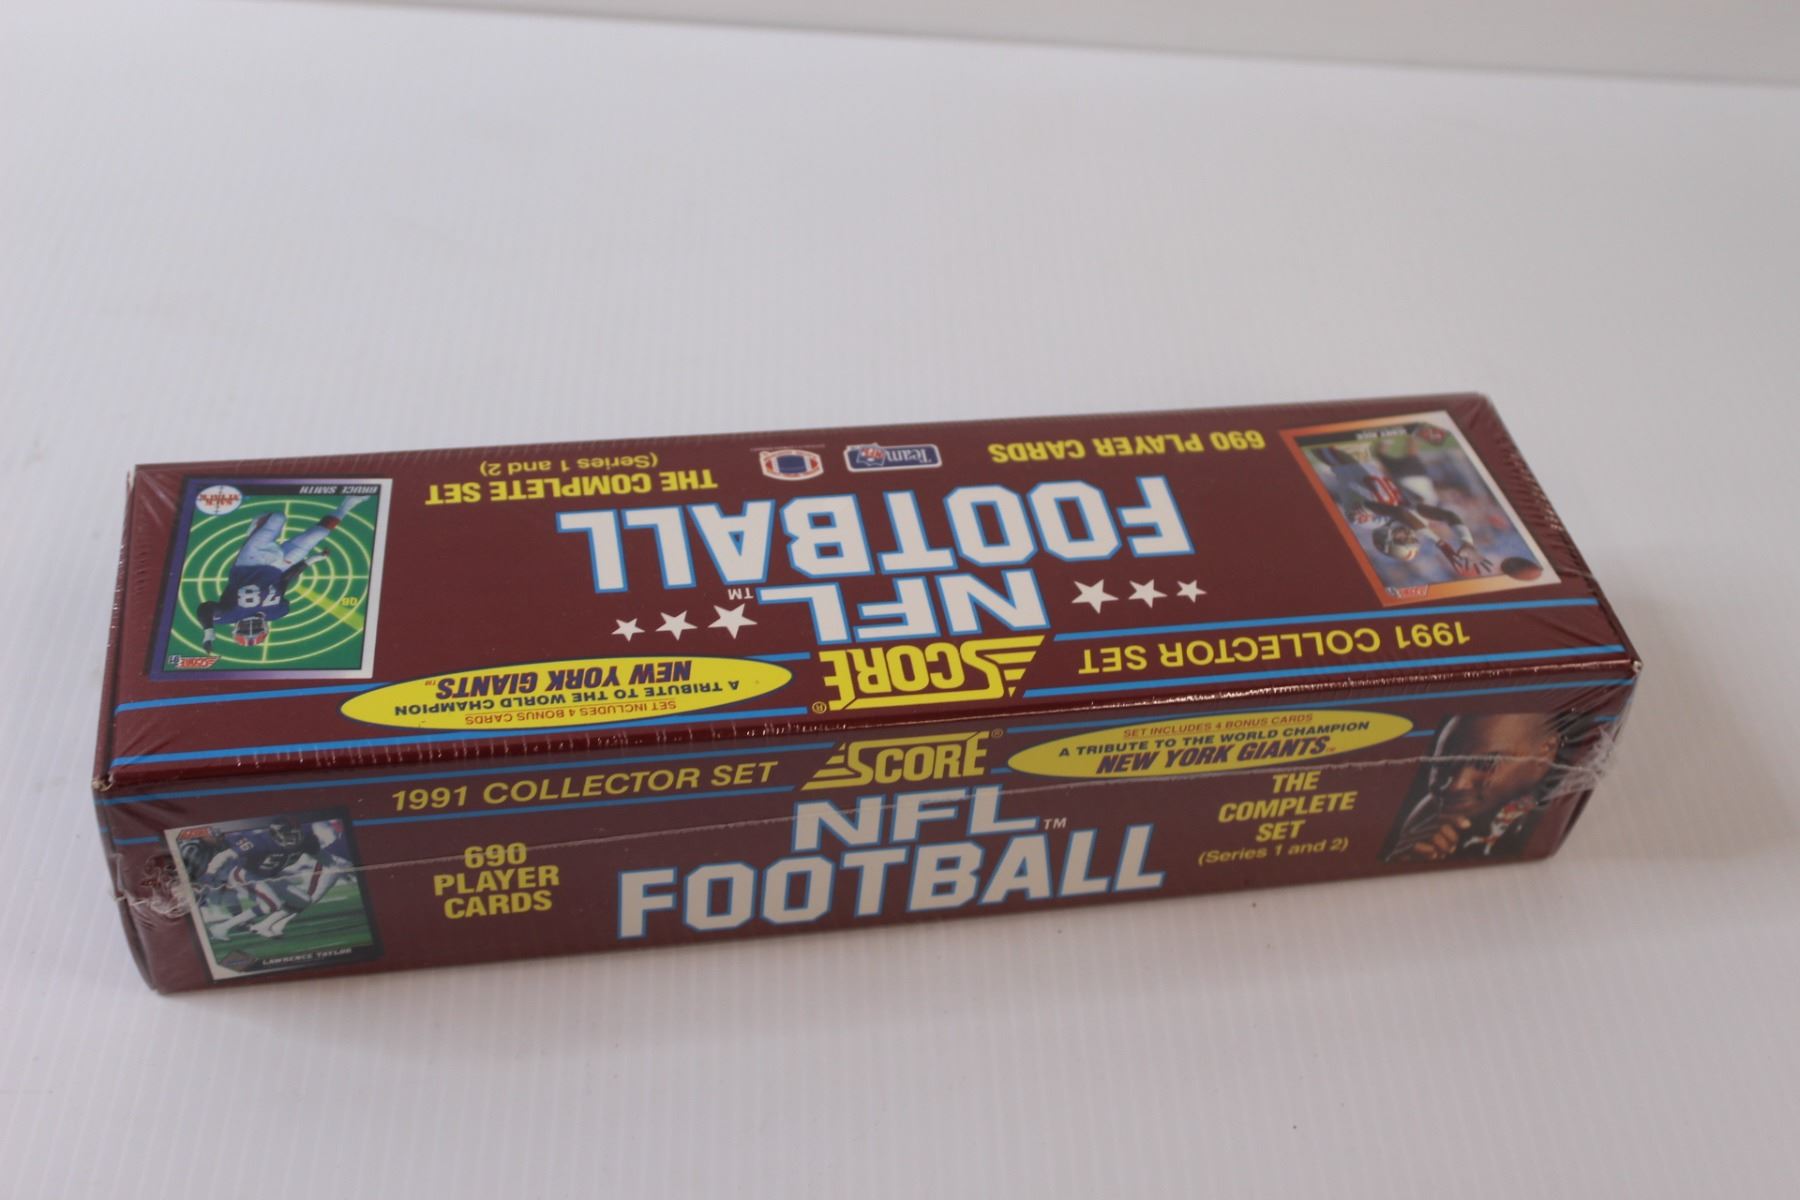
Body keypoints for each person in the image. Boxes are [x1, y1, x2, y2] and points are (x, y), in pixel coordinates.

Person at [1385, 711, 1592, 863]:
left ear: (1546, 750)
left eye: (1486, 764)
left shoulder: (1562, 796)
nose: (1456, 785)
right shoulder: (1429, 814)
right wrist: (1407, 857)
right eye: (1442, 764)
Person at [197, 495, 367, 648]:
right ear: (265, 628)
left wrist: (208, 630)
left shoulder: (227, 615)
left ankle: (255, 529)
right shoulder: (277, 612)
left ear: (235, 628)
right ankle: (348, 504)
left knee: (278, 517)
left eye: (245, 629)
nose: (250, 625)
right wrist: (310, 561)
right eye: (255, 629)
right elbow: (283, 582)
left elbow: (205, 608)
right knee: (319, 533)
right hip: (279, 567)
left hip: (249, 562)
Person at [1313, 439, 1492, 577]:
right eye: (1411, 539)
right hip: (1362, 458)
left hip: (1341, 458)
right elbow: (1447, 515)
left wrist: (1441, 543)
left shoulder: (1364, 521)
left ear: (1386, 541)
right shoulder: (1407, 517)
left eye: (1402, 539)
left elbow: (1397, 512)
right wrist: (1466, 541)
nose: (1408, 534)